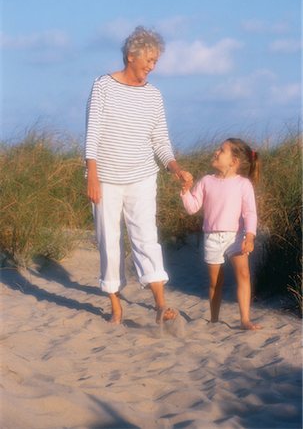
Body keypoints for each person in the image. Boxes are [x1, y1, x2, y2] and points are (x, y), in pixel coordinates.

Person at [85, 26, 193, 324]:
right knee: (109, 240)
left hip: (143, 175)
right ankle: (116, 305)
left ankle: (160, 305)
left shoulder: (154, 96)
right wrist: (91, 175)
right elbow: (92, 132)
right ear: (131, 55)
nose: (152, 66)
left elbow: (160, 139)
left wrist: (175, 167)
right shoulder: (103, 86)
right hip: (106, 177)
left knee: (146, 237)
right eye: (149, 59)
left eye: (155, 61)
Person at [180, 138, 261, 330]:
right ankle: (214, 319)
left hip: (237, 237)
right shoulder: (206, 181)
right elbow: (192, 207)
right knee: (216, 282)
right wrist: (185, 191)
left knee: (243, 274)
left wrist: (250, 236)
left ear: (234, 161)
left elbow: (250, 212)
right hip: (212, 238)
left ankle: (245, 319)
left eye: (222, 150)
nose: (216, 151)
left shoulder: (243, 184)